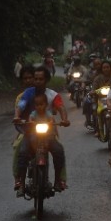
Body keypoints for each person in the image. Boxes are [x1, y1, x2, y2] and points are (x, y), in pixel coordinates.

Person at [13, 66, 70, 196]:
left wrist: (64, 119)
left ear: (46, 80)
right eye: (36, 79)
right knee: (22, 152)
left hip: (48, 132)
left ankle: (58, 181)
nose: (38, 81)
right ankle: (20, 182)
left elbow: (61, 107)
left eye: (41, 79)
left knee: (58, 150)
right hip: (30, 132)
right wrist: (17, 116)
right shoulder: (28, 93)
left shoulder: (53, 95)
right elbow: (20, 105)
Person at [12, 65, 35, 190]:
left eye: (30, 77)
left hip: (43, 129)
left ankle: (60, 180)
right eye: (25, 78)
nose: (28, 80)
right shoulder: (20, 97)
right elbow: (18, 111)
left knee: (58, 147)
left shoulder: (43, 93)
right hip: (26, 129)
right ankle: (18, 179)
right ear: (22, 81)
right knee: (18, 148)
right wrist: (18, 119)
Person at [83, 60, 111, 134]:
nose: (106, 69)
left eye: (107, 67)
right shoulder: (97, 78)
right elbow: (93, 89)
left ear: (110, 68)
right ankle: (97, 128)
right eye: (104, 68)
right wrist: (93, 92)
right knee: (94, 108)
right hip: (100, 99)